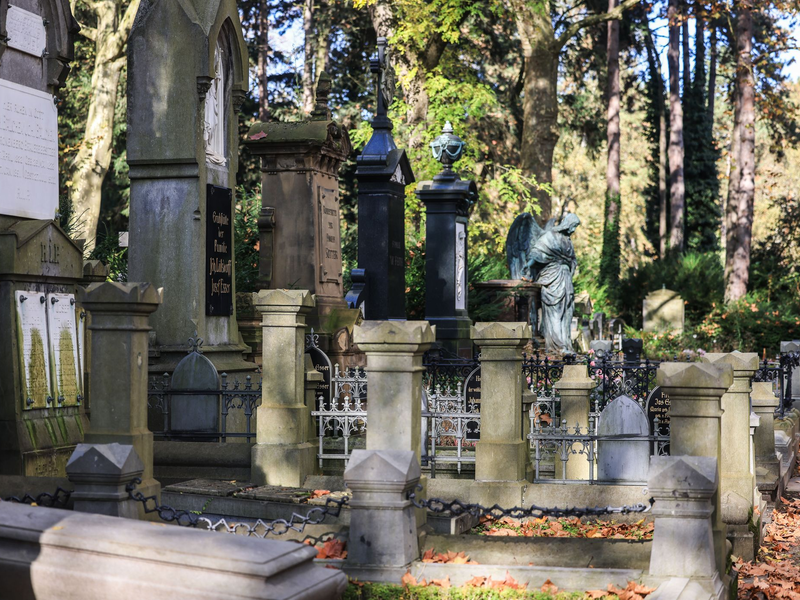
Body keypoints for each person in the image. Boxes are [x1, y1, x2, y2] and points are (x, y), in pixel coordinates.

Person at [525, 213, 580, 354]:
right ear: (567, 224)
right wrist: (528, 265)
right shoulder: (550, 236)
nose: (574, 230)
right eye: (573, 226)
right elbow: (537, 252)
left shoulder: (568, 241)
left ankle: (565, 344)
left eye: (576, 227)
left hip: (565, 278)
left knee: (567, 312)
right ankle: (557, 347)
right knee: (555, 312)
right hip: (552, 279)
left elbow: (573, 260)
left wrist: (569, 265)